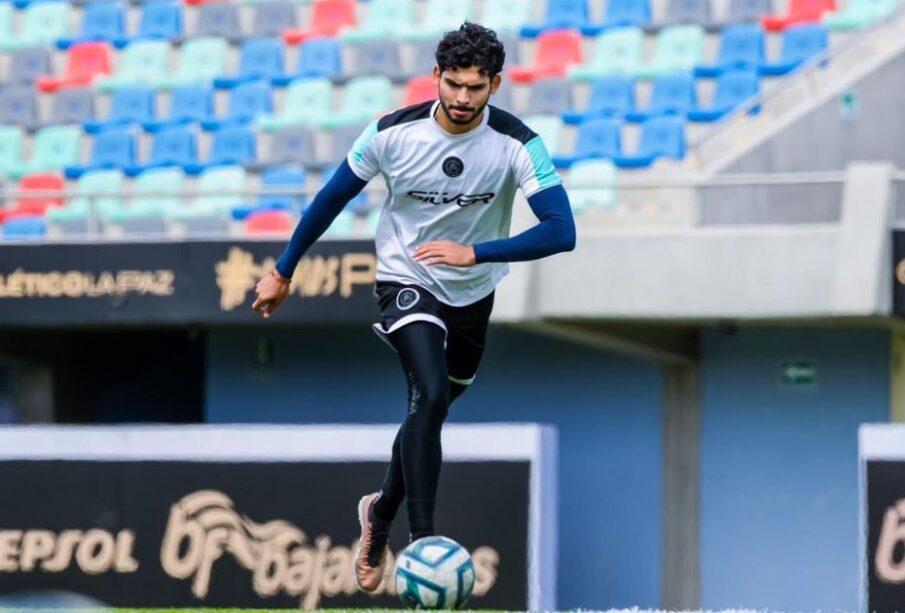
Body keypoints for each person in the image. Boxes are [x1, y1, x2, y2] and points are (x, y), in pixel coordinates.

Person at [251, 22, 576, 593]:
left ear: (495, 84)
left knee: (432, 410)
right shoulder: (389, 134)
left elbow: (561, 231)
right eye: (452, 83)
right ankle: (423, 544)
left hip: (473, 293)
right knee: (427, 391)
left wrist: (474, 252)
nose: (461, 98)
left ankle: (377, 516)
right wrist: (283, 269)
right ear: (435, 78)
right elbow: (331, 198)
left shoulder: (517, 144)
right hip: (405, 277)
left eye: (475, 87)